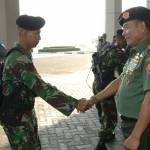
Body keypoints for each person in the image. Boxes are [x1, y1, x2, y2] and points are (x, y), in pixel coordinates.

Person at [1, 15, 85, 150]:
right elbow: (42, 88)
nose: (39, 37)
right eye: (36, 33)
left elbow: (37, 83)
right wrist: (75, 103)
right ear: (23, 33)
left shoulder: (24, 54)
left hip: (24, 115)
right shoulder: (17, 59)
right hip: (17, 119)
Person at [83, 6, 150, 150]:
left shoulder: (148, 55)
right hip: (131, 123)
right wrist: (93, 100)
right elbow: (120, 81)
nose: (124, 33)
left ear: (143, 26)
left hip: (143, 127)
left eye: (127, 27)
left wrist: (136, 136)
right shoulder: (136, 53)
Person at [91, 29, 128, 150]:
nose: (126, 42)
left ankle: (107, 134)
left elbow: (94, 65)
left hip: (97, 84)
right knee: (110, 115)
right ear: (120, 38)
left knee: (102, 112)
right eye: (125, 39)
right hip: (106, 87)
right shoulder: (119, 53)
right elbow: (126, 75)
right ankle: (102, 143)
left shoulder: (106, 48)